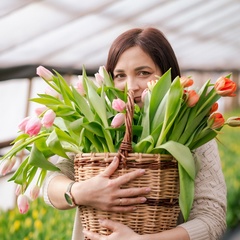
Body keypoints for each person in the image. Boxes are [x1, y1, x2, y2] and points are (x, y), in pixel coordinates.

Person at [43, 27, 226, 240]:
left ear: (168, 75)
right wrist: (80, 192)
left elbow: (213, 218)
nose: (131, 87)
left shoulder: (192, 131)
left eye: (143, 73)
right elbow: (50, 183)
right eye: (120, 75)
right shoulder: (97, 125)